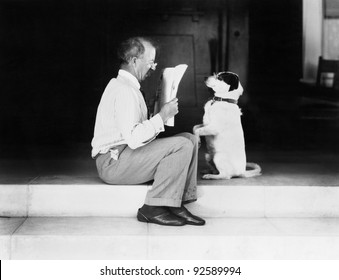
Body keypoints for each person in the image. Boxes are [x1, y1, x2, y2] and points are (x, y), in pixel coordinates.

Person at [91, 36, 205, 226]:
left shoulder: (127, 87)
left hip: (122, 155)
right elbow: (135, 139)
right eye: (151, 62)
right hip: (113, 163)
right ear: (134, 61)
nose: (153, 68)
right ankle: (153, 208)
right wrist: (162, 116)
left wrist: (157, 113)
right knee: (182, 145)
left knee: (190, 139)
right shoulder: (125, 91)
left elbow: (133, 133)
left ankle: (176, 202)